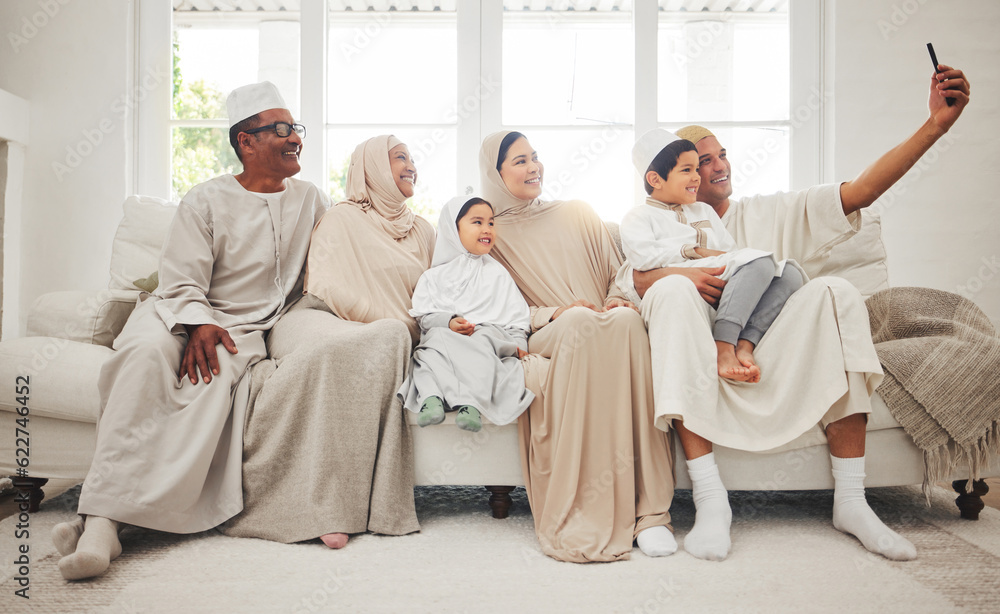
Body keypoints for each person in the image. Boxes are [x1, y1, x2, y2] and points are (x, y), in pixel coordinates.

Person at [617, 65, 970, 562]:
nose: (713, 169)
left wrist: (935, 125)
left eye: (719, 157)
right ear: (665, 175)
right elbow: (628, 279)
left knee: (836, 291)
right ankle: (711, 501)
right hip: (698, 350)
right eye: (697, 162)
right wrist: (672, 277)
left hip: (769, 344)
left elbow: (863, 190)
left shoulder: (772, 211)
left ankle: (851, 499)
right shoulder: (650, 222)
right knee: (672, 297)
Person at [52, 82, 328, 580]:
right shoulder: (206, 198)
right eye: (282, 129)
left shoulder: (312, 200)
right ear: (246, 141)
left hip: (241, 328)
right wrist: (198, 321)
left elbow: (332, 267)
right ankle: (103, 522)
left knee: (209, 377)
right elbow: (180, 277)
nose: (295, 139)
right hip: (175, 310)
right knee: (141, 359)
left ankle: (100, 524)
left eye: (296, 129)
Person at [218, 134, 432, 549]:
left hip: (390, 332)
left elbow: (441, 293)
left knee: (385, 339)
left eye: (412, 158)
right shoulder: (342, 218)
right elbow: (329, 287)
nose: (411, 165)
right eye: (399, 157)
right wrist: (396, 323)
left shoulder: (425, 231)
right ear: (370, 166)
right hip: (317, 317)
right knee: (346, 347)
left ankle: (348, 508)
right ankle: (309, 506)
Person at [479, 130, 676, 562]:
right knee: (580, 322)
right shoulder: (488, 233)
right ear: (494, 174)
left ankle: (651, 513)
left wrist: (617, 298)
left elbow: (617, 272)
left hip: (602, 315)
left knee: (625, 321)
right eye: (519, 161)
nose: (533, 167)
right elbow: (493, 307)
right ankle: (595, 507)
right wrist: (554, 312)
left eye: (535, 157)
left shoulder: (577, 213)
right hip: (550, 327)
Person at [622, 130, 804, 383]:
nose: (697, 177)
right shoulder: (639, 217)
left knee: (790, 273)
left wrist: (739, 265)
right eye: (687, 170)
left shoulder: (703, 210)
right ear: (655, 178)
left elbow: (729, 252)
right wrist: (693, 251)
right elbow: (642, 258)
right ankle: (723, 346)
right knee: (760, 261)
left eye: (697, 169)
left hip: (720, 275)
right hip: (682, 284)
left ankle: (745, 343)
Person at [398, 196, 534, 432]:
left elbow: (515, 317)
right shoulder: (434, 276)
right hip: (446, 335)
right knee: (428, 349)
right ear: (454, 228)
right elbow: (425, 317)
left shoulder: (497, 274)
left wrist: (519, 343)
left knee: (482, 344)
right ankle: (432, 398)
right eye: (477, 222)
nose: (487, 229)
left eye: (491, 223)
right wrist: (449, 322)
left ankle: (470, 403)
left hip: (485, 337)